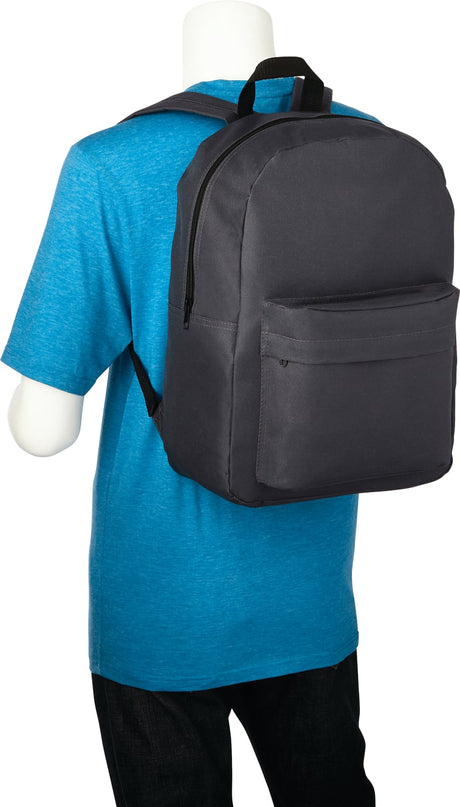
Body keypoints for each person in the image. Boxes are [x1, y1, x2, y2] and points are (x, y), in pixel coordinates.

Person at [1, 2, 376, 804]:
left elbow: (43, 427)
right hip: (310, 595)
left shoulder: (110, 165)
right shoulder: (361, 142)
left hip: (160, 604)